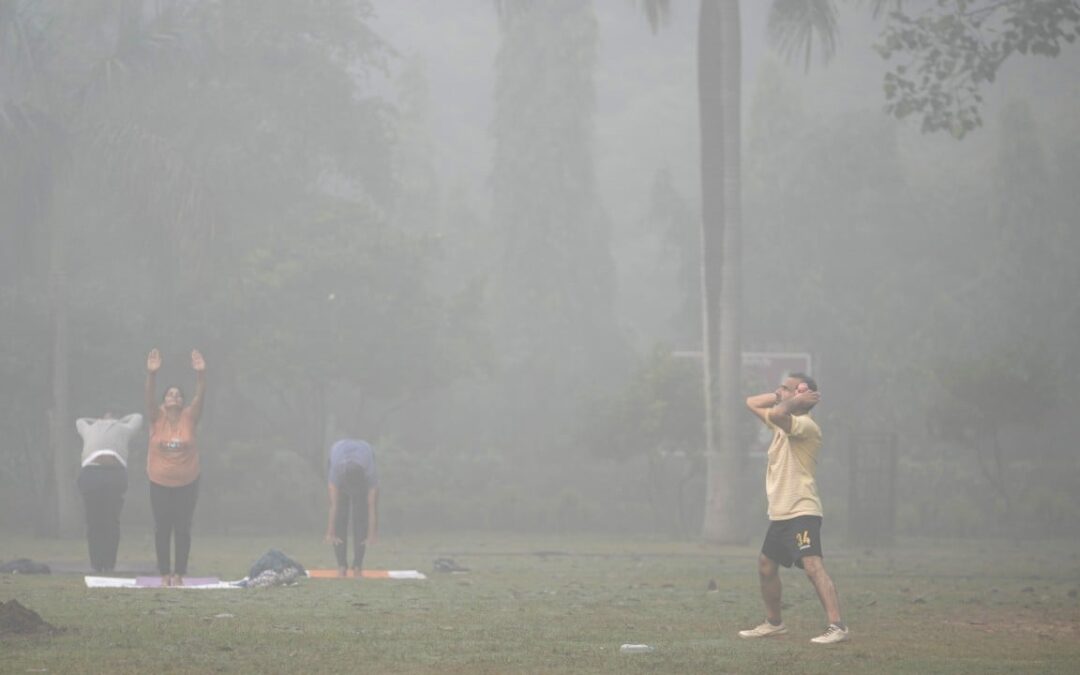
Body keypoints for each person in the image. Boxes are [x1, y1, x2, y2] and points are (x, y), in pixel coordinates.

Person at [739, 373, 849, 644]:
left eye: (785, 388)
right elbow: (751, 402)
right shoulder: (782, 424)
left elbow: (777, 415)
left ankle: (837, 626)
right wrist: (781, 394)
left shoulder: (806, 425)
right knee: (766, 566)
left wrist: (793, 399)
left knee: (812, 566)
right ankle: (774, 623)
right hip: (781, 513)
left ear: (802, 397)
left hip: (802, 510)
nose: (779, 391)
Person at [145, 348, 206, 587]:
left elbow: (201, 397)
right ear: (164, 400)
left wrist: (201, 375)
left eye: (178, 394)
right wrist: (152, 375)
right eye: (170, 394)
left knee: (183, 528)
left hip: (188, 482)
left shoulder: (189, 417)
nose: (174, 397)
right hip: (159, 481)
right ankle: (164, 574)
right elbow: (148, 397)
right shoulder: (156, 417)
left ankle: (179, 574)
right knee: (162, 528)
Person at [75, 411, 142, 573]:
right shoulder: (89, 429)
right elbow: (80, 420)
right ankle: (96, 564)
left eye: (111, 415)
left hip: (115, 473)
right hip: (91, 472)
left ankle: (109, 564)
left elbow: (138, 417)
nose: (108, 416)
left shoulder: (123, 429)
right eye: (105, 415)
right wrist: (97, 420)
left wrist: (117, 420)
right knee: (93, 521)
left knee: (111, 520)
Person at [323, 438, 379, 577]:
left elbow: (371, 506)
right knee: (340, 517)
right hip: (339, 461)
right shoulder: (336, 473)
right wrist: (330, 532)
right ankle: (342, 566)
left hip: (363, 463)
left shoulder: (370, 474)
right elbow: (333, 505)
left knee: (361, 518)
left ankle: (357, 566)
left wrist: (371, 534)